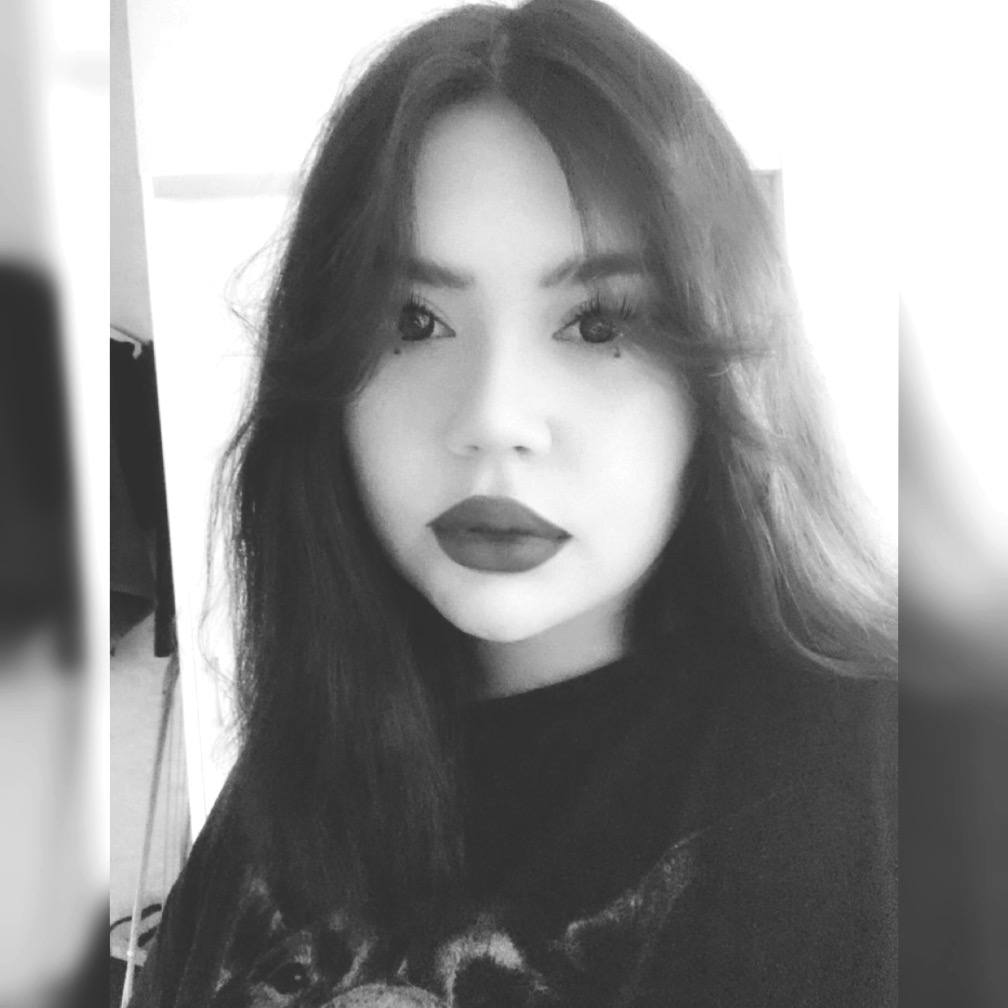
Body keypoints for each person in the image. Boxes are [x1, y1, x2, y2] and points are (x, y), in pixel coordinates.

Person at [132, 0, 896, 1004]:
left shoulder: (890, 779)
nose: (492, 420)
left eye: (598, 322)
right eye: (412, 321)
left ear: (722, 372)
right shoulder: (291, 778)